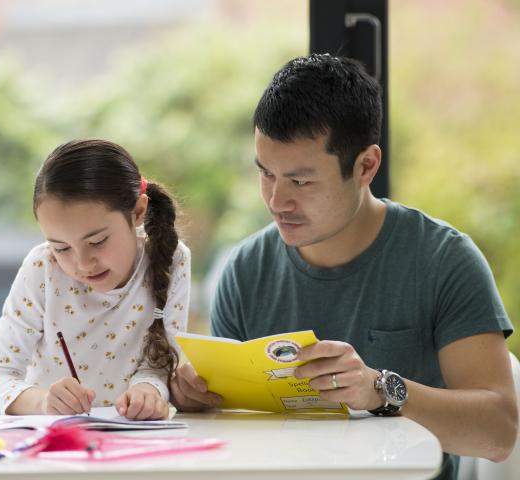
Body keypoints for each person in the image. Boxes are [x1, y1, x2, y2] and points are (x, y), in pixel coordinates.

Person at [170, 54, 518, 479]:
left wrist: (379, 390)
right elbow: (232, 442)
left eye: (301, 181)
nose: (277, 201)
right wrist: (196, 401)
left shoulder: (443, 260)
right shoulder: (244, 271)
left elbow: (499, 433)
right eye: (266, 174)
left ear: (366, 166)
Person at [0, 139, 190, 420]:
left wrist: (148, 390)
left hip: (133, 444)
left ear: (138, 212)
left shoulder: (172, 258)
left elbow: (159, 362)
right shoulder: (42, 268)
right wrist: (44, 402)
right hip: (53, 447)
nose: (82, 264)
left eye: (97, 241)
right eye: (61, 248)